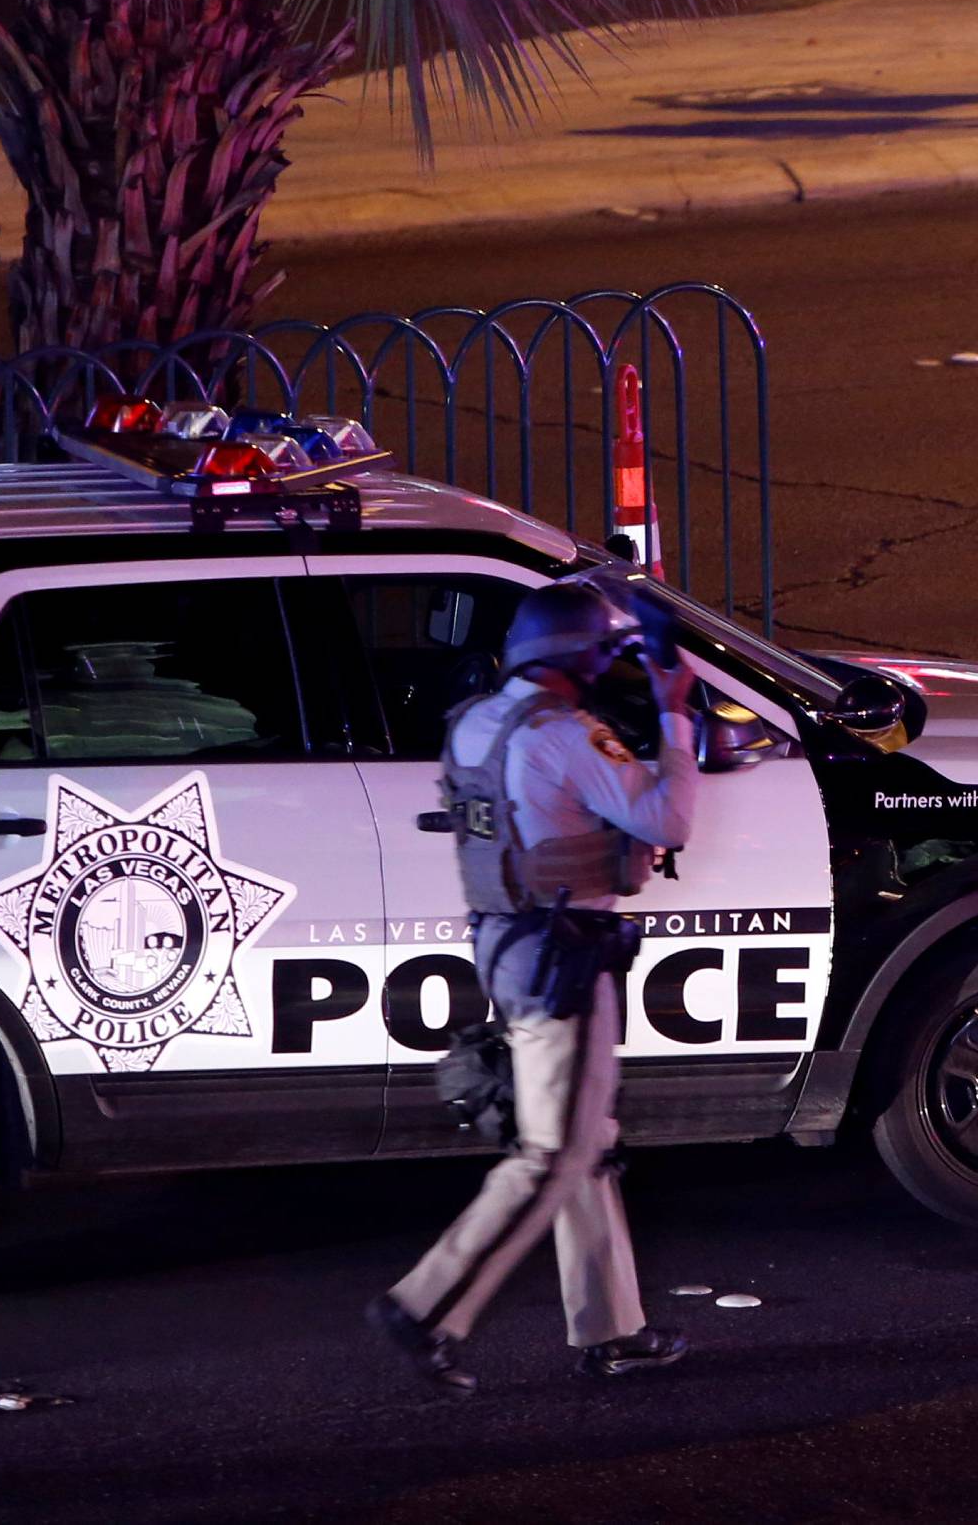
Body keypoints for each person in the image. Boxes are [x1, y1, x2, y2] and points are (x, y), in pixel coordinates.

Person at [369, 580, 698, 1395]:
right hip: (564, 954)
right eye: (599, 652)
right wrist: (675, 715)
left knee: (585, 1139)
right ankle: (425, 1306)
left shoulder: (478, 721)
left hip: (507, 942)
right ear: (573, 660)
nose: (603, 666)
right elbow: (668, 823)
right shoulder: (566, 734)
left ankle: (612, 1329)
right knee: (554, 1153)